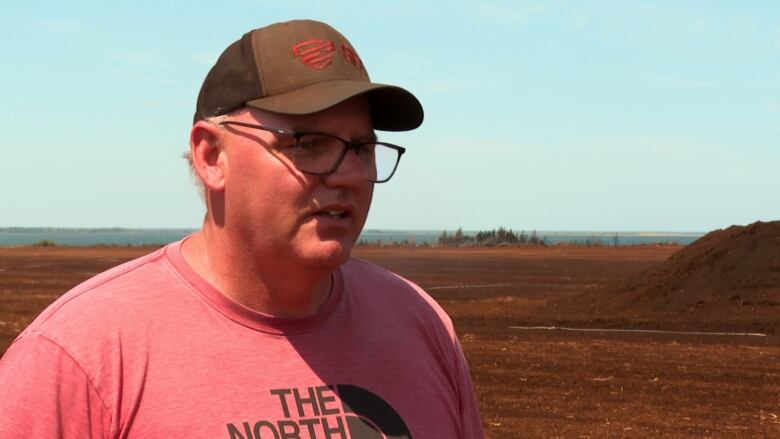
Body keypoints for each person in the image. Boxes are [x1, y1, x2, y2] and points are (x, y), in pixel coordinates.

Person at [0, 19, 484, 438]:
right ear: (212, 156)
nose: (353, 175)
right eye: (309, 142)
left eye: (361, 148)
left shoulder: (420, 325)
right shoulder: (82, 356)